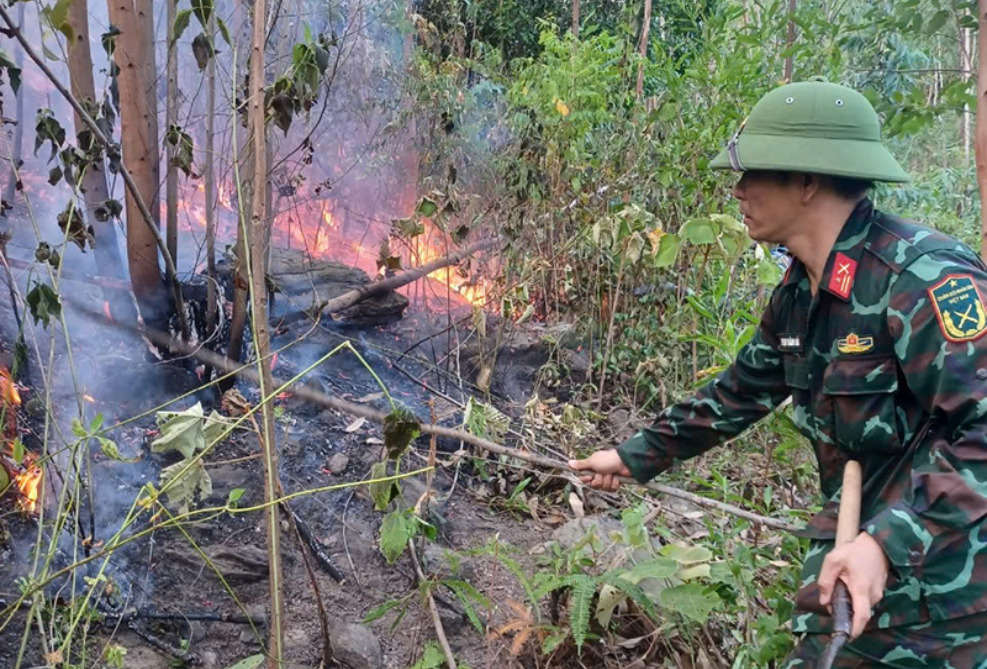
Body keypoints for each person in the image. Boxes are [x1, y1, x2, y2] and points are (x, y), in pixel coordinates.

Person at [569, 77, 987, 666]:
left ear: (808, 181)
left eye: (753, 174)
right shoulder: (800, 292)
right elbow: (739, 393)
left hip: (947, 604)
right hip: (853, 577)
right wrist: (634, 455)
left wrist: (885, 545)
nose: (738, 191)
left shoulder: (922, 281)